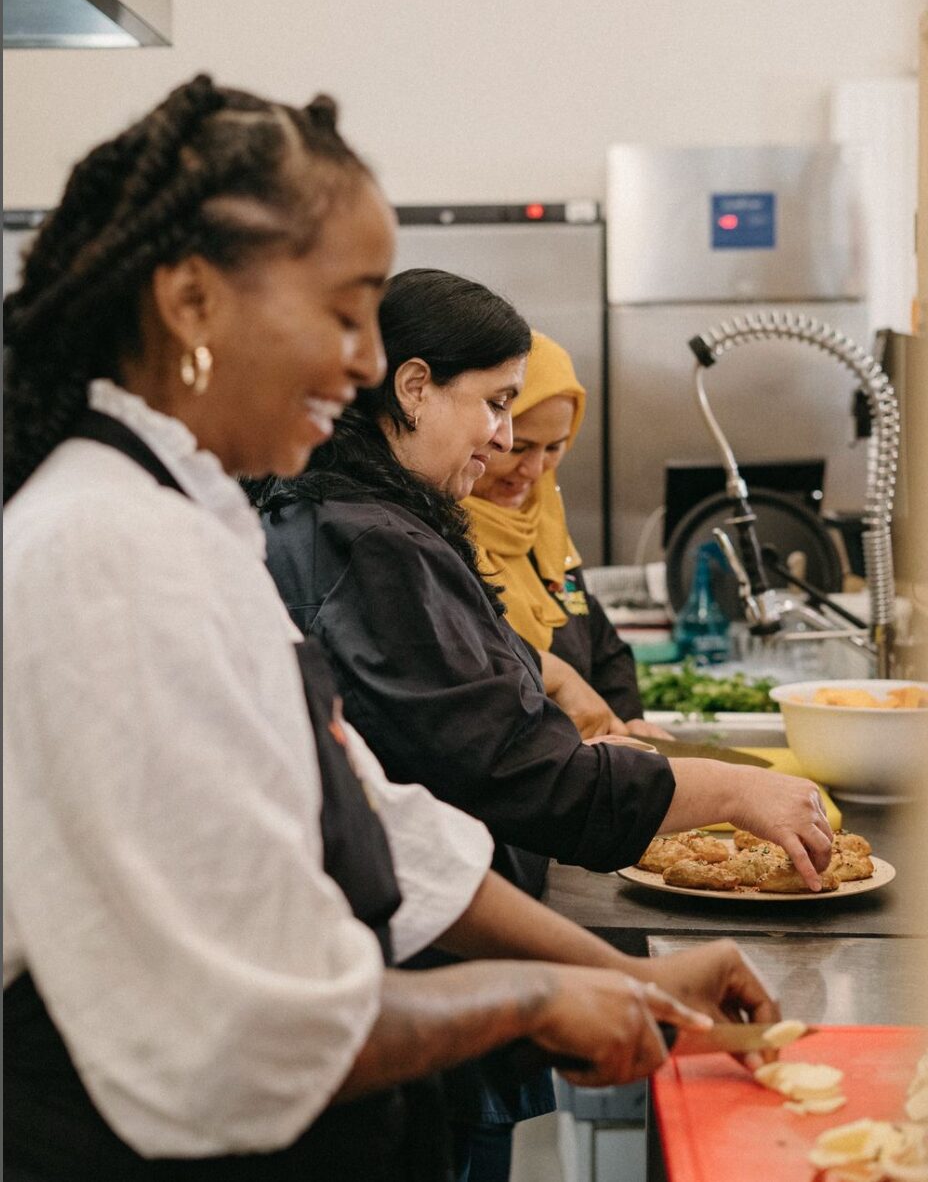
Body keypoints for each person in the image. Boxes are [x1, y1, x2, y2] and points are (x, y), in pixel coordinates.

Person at [3, 76, 781, 1182]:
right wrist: (538, 994)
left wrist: (629, 974)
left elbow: (383, 822)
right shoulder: (99, 553)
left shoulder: (186, 525)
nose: (371, 364)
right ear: (190, 303)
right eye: (342, 310)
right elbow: (228, 1036)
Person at [256, 267, 833, 1177]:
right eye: (492, 404)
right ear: (411, 387)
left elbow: (424, 801)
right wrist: (735, 788)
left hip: (441, 969)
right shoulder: (371, 543)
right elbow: (518, 773)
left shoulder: (371, 523)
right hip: (416, 999)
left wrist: (623, 978)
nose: (501, 438)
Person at [464, 329, 670, 742]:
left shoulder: (544, 520)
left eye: (555, 447)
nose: (535, 470)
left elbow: (600, 642)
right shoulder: (435, 530)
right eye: (519, 447)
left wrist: (625, 723)